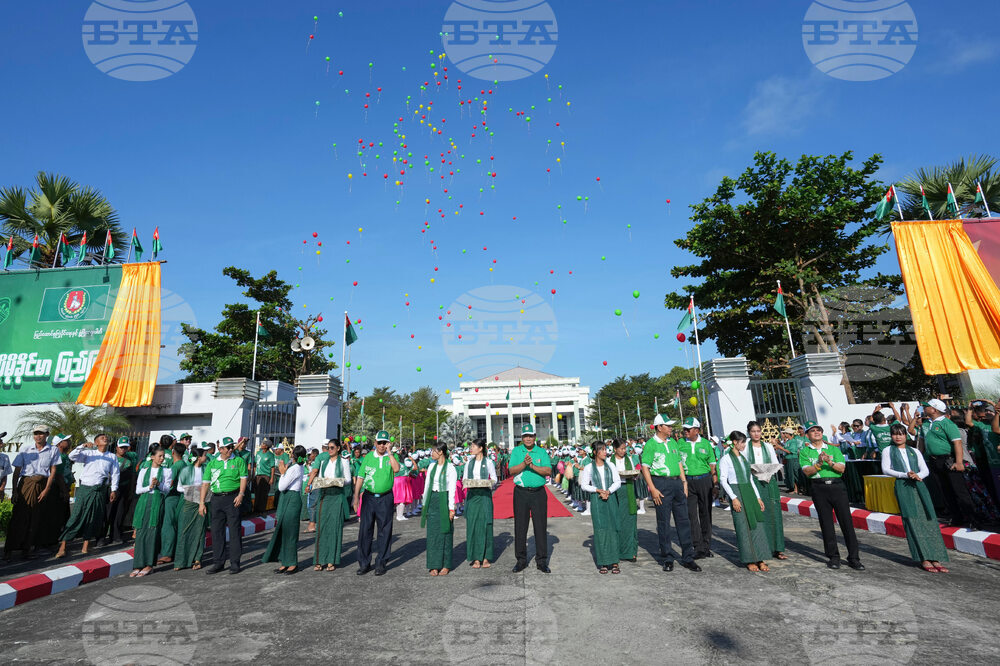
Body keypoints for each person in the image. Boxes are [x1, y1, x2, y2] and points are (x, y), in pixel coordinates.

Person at [882, 423, 949, 573]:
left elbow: (925, 469)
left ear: (906, 435)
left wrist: (918, 476)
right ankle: (923, 557)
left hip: (919, 484)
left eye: (901, 433)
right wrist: (905, 474)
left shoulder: (914, 451)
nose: (898, 437)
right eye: (894, 434)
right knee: (912, 520)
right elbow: (886, 469)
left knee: (928, 519)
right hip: (903, 486)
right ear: (891, 436)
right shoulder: (888, 450)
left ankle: (935, 556)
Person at [799, 422, 863, 570]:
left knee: (846, 522)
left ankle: (854, 558)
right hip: (819, 487)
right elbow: (807, 472)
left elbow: (841, 469)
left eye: (819, 430)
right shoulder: (805, 452)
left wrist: (829, 461)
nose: (816, 432)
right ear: (807, 435)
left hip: (836, 486)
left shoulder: (833, 450)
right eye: (812, 431)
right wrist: (819, 464)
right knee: (826, 523)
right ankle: (834, 557)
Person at [640, 414, 699, 572]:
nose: (671, 428)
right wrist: (652, 488)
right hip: (661, 483)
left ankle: (688, 557)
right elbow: (645, 467)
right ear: (659, 427)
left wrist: (684, 482)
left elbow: (679, 463)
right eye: (668, 426)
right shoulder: (651, 444)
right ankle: (667, 557)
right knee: (664, 522)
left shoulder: (673, 442)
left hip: (677, 483)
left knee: (683, 521)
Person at [56, 434, 120, 558]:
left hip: (100, 490)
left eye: (106, 438)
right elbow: (72, 456)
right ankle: (63, 547)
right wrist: (82, 446)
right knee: (76, 516)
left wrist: (114, 490)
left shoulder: (112, 457)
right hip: (86, 489)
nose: (105, 439)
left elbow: (115, 474)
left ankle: (85, 547)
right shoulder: (89, 454)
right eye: (102, 438)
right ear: (96, 443)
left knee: (93, 517)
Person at [918, 399, 978, 530]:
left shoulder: (947, 423)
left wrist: (958, 462)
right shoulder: (926, 424)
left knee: (959, 491)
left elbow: (957, 443)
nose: (924, 408)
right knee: (945, 491)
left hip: (949, 460)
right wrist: (919, 458)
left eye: (927, 406)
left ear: (934, 409)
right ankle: (957, 518)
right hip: (934, 461)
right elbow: (922, 442)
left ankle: (974, 520)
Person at [4, 424, 60, 560]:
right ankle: (8, 551)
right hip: (26, 484)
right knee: (19, 518)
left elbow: (53, 471)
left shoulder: (53, 450)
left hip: (41, 485)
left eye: (41, 433)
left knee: (35, 519)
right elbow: (17, 470)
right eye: (36, 433)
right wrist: (15, 491)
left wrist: (46, 489)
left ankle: (27, 549)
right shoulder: (25, 449)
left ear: (47, 435)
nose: (38, 436)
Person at [720, 432, 770, 572]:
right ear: (735, 442)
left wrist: (758, 497)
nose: (743, 445)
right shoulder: (726, 459)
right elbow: (723, 480)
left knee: (757, 526)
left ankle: (760, 558)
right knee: (743, 527)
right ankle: (749, 559)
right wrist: (733, 497)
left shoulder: (744, 459)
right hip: (737, 493)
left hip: (749, 492)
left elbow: (750, 480)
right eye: (742, 442)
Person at [353, 430, 400, 576]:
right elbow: (360, 477)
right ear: (375, 443)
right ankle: (364, 563)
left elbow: (396, 469)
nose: (382, 445)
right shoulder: (368, 458)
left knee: (384, 531)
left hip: (385, 498)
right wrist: (356, 497)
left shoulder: (391, 457)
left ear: (388, 444)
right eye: (379, 443)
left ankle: (381, 562)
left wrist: (390, 452)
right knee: (365, 530)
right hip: (369, 497)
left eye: (384, 443)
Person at [509, 424, 554, 573]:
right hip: (521, 493)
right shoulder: (517, 451)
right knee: (520, 527)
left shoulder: (541, 452)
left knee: (540, 527)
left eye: (531, 435)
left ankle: (541, 561)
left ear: (535, 437)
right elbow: (511, 470)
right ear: (522, 438)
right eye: (525, 436)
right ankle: (521, 560)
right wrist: (524, 464)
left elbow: (548, 471)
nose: (528, 438)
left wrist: (532, 466)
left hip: (538, 493)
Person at [200, 437, 248, 574]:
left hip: (233, 498)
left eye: (232, 447)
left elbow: (243, 479)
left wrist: (241, 494)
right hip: (216, 499)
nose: (231, 449)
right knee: (216, 531)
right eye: (228, 447)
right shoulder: (213, 463)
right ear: (221, 449)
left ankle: (235, 563)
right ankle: (218, 562)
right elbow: (205, 484)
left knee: (234, 531)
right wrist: (202, 502)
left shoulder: (239, 461)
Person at [677, 417, 718, 560]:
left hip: (704, 480)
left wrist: (715, 485)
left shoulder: (706, 444)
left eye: (688, 429)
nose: (685, 431)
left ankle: (706, 546)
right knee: (691, 515)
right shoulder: (680, 443)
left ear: (697, 430)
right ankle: (698, 547)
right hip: (688, 482)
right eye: (685, 429)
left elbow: (712, 464)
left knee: (706, 513)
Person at [580, 441, 623, 574]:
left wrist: (608, 491)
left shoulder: (610, 465)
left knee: (613, 527)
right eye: (602, 450)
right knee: (600, 529)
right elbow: (584, 485)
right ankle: (604, 561)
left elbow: (618, 481)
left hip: (610, 498)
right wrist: (598, 490)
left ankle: (615, 561)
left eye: (606, 449)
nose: (605, 452)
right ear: (595, 452)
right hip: (597, 499)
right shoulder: (588, 467)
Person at [746, 421, 787, 561]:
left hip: (769, 480)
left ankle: (778, 548)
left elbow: (775, 462)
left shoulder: (768, 447)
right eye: (753, 431)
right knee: (759, 514)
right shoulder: (745, 447)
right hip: (754, 481)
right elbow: (744, 464)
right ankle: (763, 548)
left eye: (758, 431)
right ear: (749, 433)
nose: (756, 434)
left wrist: (769, 471)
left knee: (774, 514)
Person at [310, 439, 352, 571]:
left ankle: (331, 560)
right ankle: (319, 560)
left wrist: (336, 481)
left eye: (332, 448)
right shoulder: (324, 461)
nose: (329, 450)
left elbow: (348, 479)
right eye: (328, 448)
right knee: (321, 528)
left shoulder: (344, 462)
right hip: (324, 495)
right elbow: (320, 476)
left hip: (337, 496)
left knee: (334, 528)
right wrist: (321, 481)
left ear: (338, 448)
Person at [264, 445, 306, 574]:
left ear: (294, 455)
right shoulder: (295, 467)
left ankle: (292, 563)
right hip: (287, 498)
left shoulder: (295, 469)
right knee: (283, 530)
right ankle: (284, 562)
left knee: (290, 532)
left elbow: (282, 486)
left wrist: (282, 473)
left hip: (291, 498)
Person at [130, 446, 172, 577]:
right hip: (144, 502)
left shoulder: (166, 471)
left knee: (152, 532)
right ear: (152, 457)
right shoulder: (144, 471)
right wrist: (149, 486)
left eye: (163, 456)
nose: (162, 458)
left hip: (157, 502)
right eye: (159, 456)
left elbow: (166, 490)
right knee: (141, 532)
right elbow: (137, 490)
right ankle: (138, 565)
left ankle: (149, 564)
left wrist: (159, 484)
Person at [421, 442, 457, 576]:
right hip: (433, 499)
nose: (432, 453)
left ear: (441, 452)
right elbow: (427, 485)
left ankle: (446, 564)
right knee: (432, 534)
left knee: (445, 533)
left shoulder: (451, 468)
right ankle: (433, 564)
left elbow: (452, 489)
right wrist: (425, 504)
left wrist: (451, 508)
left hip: (445, 498)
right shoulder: (431, 466)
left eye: (434, 451)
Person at [462, 438, 497, 568]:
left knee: (486, 525)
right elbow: (465, 479)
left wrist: (487, 484)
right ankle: (476, 557)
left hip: (484, 497)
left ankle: (486, 557)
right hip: (472, 496)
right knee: (473, 526)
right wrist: (469, 483)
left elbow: (494, 479)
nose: (471, 448)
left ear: (481, 448)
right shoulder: (468, 463)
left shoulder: (488, 462)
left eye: (473, 446)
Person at [174, 447, 209, 570]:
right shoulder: (186, 470)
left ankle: (197, 559)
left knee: (200, 531)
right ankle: (180, 561)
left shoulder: (206, 469)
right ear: (199, 457)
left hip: (202, 502)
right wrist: (191, 490)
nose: (206, 457)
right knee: (184, 531)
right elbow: (179, 487)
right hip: (188, 503)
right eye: (205, 455)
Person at [157, 442, 187, 565]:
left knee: (168, 525)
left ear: (173, 452)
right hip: (180, 497)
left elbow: (170, 483)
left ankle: (167, 553)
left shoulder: (176, 466)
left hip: (172, 497)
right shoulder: (184, 464)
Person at [104, 437, 138, 545]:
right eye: (121, 447)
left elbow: (132, 476)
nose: (123, 450)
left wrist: (131, 490)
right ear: (117, 447)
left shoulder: (129, 460)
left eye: (125, 448)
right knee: (107, 513)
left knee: (119, 513)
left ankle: (116, 536)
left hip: (122, 489)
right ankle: (102, 536)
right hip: (109, 489)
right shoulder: (110, 458)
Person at [611, 439, 640, 562]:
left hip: (627, 490)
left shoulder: (629, 460)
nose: (624, 451)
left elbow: (633, 473)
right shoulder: (609, 461)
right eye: (621, 449)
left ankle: (630, 552)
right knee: (616, 521)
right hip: (615, 491)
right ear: (615, 449)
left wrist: (634, 475)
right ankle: (616, 551)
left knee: (629, 522)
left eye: (625, 449)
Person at [253, 438, 276, 514]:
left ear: (266, 446)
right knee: (257, 492)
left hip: (266, 476)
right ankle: (255, 509)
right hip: (258, 475)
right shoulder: (258, 453)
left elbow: (272, 467)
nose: (261, 445)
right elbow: (255, 464)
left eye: (263, 444)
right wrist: (254, 474)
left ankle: (261, 509)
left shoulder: (270, 455)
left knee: (263, 493)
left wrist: (272, 478)